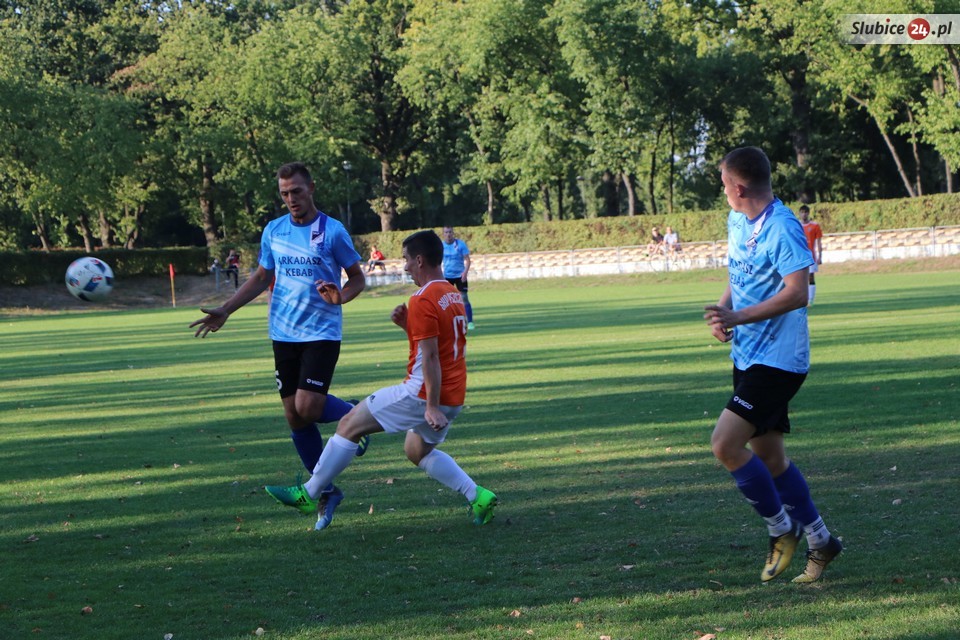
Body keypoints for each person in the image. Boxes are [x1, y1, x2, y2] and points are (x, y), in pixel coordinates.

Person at [266, 230, 497, 530]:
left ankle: (309, 494)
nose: (405, 267)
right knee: (416, 451)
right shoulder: (452, 294)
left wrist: (430, 405)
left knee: (349, 425)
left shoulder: (423, 298)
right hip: (453, 395)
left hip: (421, 393)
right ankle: (477, 496)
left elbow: (430, 358)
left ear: (419, 260)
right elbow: (440, 346)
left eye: (406, 260)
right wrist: (408, 327)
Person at [190, 162, 369, 528]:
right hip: (283, 334)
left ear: (311, 188)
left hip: (321, 332)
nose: (291, 199)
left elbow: (357, 278)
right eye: (285, 193)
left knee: (308, 406)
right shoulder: (273, 230)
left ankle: (355, 415)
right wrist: (226, 309)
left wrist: (341, 297)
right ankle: (326, 490)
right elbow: (261, 276)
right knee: (294, 416)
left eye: (296, 191)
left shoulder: (332, 231)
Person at [703, 146, 841, 584]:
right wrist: (724, 311)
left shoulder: (782, 226)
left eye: (724, 184)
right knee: (770, 457)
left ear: (740, 187)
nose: (723, 191)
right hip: (748, 354)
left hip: (779, 360)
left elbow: (798, 292)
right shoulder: (737, 219)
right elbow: (739, 272)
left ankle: (781, 528)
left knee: (724, 445)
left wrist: (738, 317)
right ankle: (822, 540)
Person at [441, 226, 475, 330]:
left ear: (453, 233)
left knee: (464, 297)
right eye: (446, 232)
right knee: (446, 300)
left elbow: (467, 260)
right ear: (443, 234)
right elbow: (437, 262)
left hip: (460, 275)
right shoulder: (441, 246)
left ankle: (470, 322)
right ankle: (449, 322)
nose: (448, 234)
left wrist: (465, 273)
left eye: (450, 232)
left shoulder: (460, 244)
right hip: (447, 276)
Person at [799, 205, 823, 305]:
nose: (804, 214)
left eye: (806, 212)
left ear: (808, 213)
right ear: (799, 214)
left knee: (811, 277)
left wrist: (820, 256)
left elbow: (819, 242)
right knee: (799, 279)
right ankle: (801, 300)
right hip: (799, 256)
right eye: (802, 212)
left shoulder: (815, 226)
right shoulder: (796, 225)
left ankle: (811, 300)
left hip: (811, 256)